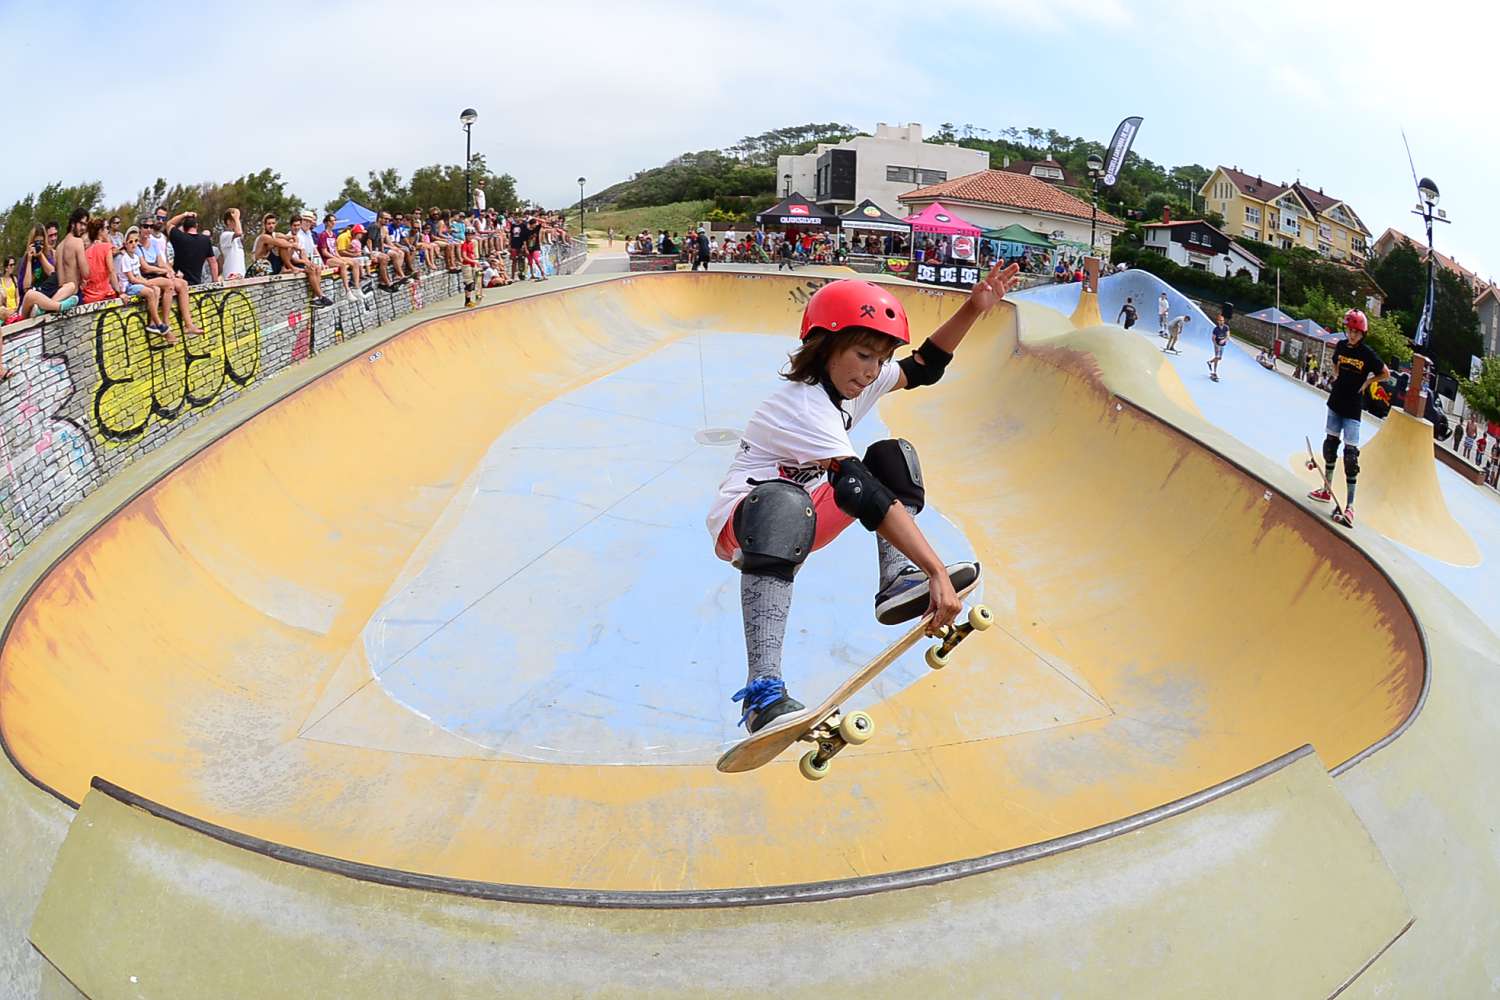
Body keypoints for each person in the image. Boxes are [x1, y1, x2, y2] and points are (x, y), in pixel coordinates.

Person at [707, 265, 1021, 732]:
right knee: (798, 500)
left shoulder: (856, 378)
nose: (872, 371)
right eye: (863, 355)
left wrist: (973, 308)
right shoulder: (801, 405)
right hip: (748, 522)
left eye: (880, 358)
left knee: (893, 456)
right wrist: (938, 570)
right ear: (824, 345)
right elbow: (861, 494)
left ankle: (897, 580)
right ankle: (763, 692)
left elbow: (924, 367)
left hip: (809, 508)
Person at [1307, 309, 1389, 528]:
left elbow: (1386, 373)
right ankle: (1326, 490)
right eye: (1349, 331)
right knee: (1330, 447)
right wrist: (1336, 375)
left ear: (1362, 333)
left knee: (1351, 457)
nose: (1352, 335)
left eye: (1356, 332)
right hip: (1335, 403)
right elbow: (1335, 361)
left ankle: (1350, 506)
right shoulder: (1341, 346)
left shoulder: (1367, 353)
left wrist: (1367, 383)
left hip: (1353, 408)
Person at [115, 228, 169, 336]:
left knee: (156, 289)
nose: (133, 244)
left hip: (136, 283)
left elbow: (138, 275)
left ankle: (152, 323)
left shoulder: (135, 257)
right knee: (150, 292)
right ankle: (158, 323)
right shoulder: (125, 258)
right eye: (130, 242)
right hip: (128, 286)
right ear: (125, 244)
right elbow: (131, 278)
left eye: (135, 241)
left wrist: (146, 282)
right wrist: (146, 283)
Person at [164, 211, 218, 285]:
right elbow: (213, 262)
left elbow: (169, 224)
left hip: (179, 283)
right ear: (196, 225)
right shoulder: (205, 240)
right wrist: (215, 282)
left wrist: (184, 214)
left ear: (184, 227)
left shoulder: (179, 237)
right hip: (196, 283)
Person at [80, 218, 123, 305]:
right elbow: (111, 271)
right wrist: (120, 292)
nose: (108, 230)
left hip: (88, 297)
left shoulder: (86, 251)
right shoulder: (106, 247)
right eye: (107, 228)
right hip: (105, 295)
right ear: (100, 231)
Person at [218, 209, 246, 281]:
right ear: (228, 221)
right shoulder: (225, 235)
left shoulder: (238, 239)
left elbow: (241, 234)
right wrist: (236, 217)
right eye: (235, 220)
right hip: (231, 276)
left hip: (241, 276)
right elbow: (239, 232)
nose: (238, 222)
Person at [1207, 312, 1229, 381]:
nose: (1221, 321)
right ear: (1218, 321)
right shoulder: (1216, 329)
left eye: (1222, 320)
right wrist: (1216, 345)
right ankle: (1214, 372)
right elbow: (1213, 338)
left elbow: (1228, 336)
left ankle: (1210, 362)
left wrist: (1224, 340)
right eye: (1220, 320)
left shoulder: (1226, 327)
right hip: (1217, 345)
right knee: (1217, 358)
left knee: (1219, 358)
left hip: (1222, 345)